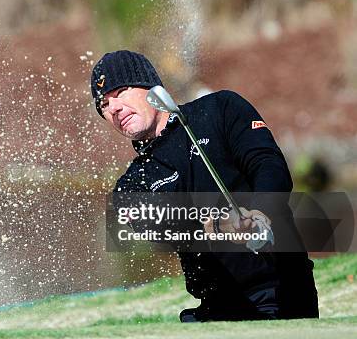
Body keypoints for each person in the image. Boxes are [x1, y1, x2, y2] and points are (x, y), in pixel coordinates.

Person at [91, 49, 319, 322]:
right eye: (103, 105)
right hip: (217, 305)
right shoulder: (131, 184)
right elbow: (164, 228)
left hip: (280, 288)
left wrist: (260, 212)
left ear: (151, 87)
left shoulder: (220, 109)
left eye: (120, 91)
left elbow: (268, 164)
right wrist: (219, 226)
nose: (113, 108)